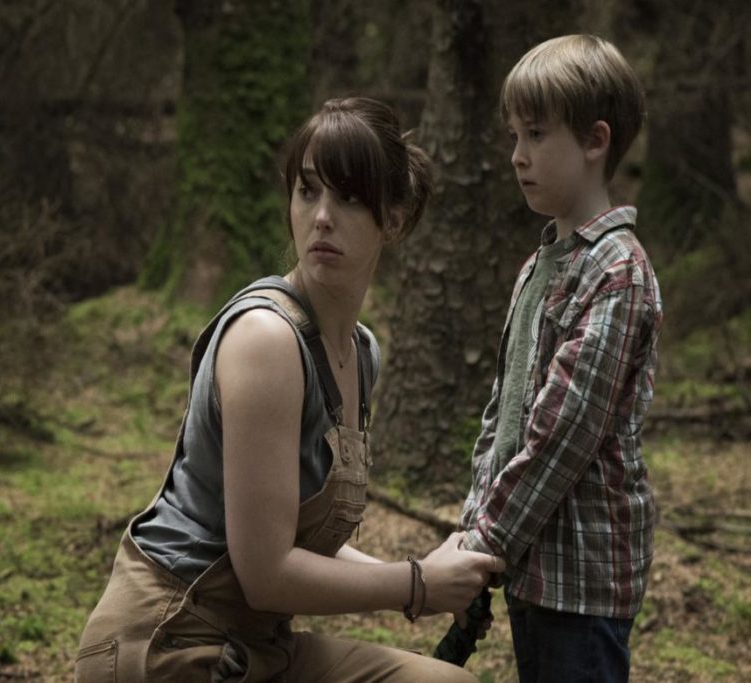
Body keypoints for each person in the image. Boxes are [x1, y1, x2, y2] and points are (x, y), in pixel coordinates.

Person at [76, 97, 504, 682]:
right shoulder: (267, 340)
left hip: (255, 645)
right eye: (307, 191)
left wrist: (427, 577)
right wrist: (416, 585)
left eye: (349, 197)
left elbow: (296, 539)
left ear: (394, 219)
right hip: (170, 640)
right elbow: (267, 573)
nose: (322, 216)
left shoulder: (360, 353)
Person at [457, 35, 663, 683]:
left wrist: (484, 540)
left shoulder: (618, 271)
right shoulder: (540, 266)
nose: (517, 155)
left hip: (583, 575)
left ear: (595, 140)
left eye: (537, 134)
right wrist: (474, 523)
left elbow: (563, 433)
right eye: (514, 135)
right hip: (532, 562)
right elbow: (505, 411)